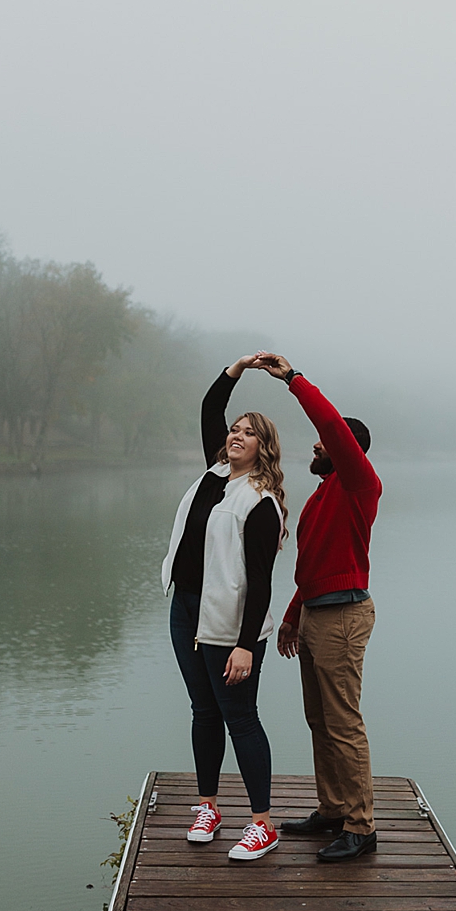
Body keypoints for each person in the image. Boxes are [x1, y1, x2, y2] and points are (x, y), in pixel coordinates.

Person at [256, 352, 383, 863]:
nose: (313, 444)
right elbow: (313, 567)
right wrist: (292, 615)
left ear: (341, 450)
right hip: (316, 612)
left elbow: (328, 423)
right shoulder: (324, 493)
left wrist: (293, 379)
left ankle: (361, 825)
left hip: (343, 618)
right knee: (319, 718)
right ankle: (333, 809)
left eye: (322, 444)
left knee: (343, 720)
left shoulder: (358, 484)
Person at [160, 354, 287, 862]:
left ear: (263, 448)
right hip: (186, 610)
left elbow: (260, 583)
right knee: (203, 710)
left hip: (231, 624)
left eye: (248, 433)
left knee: (242, 717)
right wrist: (237, 367)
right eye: (233, 430)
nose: (235, 435)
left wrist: (244, 646)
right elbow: (210, 405)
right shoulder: (214, 476)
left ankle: (262, 824)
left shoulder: (260, 501)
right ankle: (208, 808)